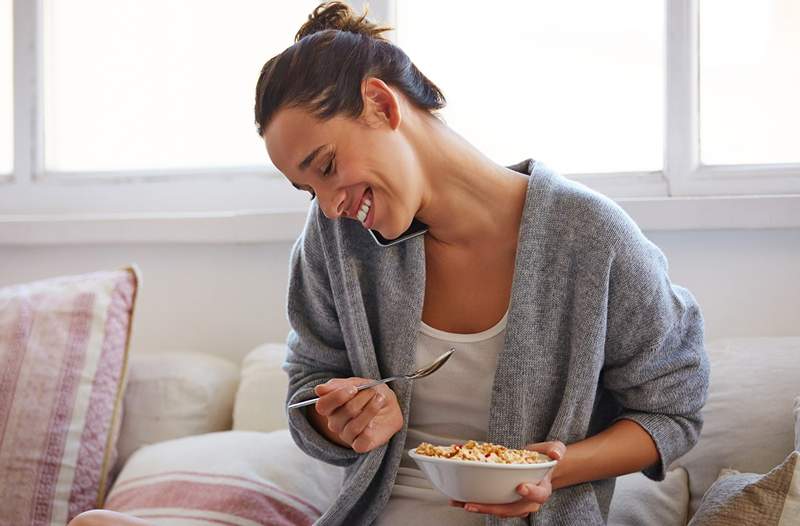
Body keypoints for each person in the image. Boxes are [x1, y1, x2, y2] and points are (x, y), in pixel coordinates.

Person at [71, 2, 710, 525]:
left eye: (326, 167)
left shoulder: (591, 238)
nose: (328, 205)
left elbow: (672, 411)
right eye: (308, 190)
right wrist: (338, 415)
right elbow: (308, 382)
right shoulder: (337, 241)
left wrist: (550, 468)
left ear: (381, 104)